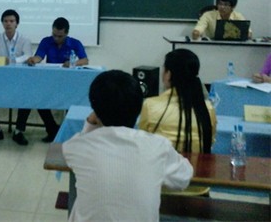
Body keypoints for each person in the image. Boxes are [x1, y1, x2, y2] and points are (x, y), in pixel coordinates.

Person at [62, 70, 192, 222]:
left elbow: (80, 142)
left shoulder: (77, 146)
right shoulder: (158, 146)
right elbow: (183, 178)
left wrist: (90, 123)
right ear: (138, 107)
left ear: (95, 110)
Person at [138, 49, 216, 154]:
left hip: (160, 163)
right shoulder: (208, 109)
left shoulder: (150, 105)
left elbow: (143, 141)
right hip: (196, 164)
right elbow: (210, 142)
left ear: (168, 74)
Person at [26, 17, 89, 142]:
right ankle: (52, 130)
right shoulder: (46, 41)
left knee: (72, 103)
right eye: (54, 35)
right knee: (40, 100)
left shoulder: (75, 43)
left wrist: (73, 63)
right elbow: (39, 56)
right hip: (51, 80)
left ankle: (68, 133)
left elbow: (85, 60)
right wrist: (33, 60)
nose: (56, 38)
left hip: (69, 82)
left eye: (60, 36)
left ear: (66, 33)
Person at [0, 9, 33, 145]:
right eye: (5, 21)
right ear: (2, 23)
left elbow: (28, 56)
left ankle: (18, 132)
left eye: (12, 21)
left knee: (27, 97)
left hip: (19, 80)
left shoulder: (24, 39)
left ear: (17, 24)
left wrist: (13, 61)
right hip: (0, 80)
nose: (8, 24)